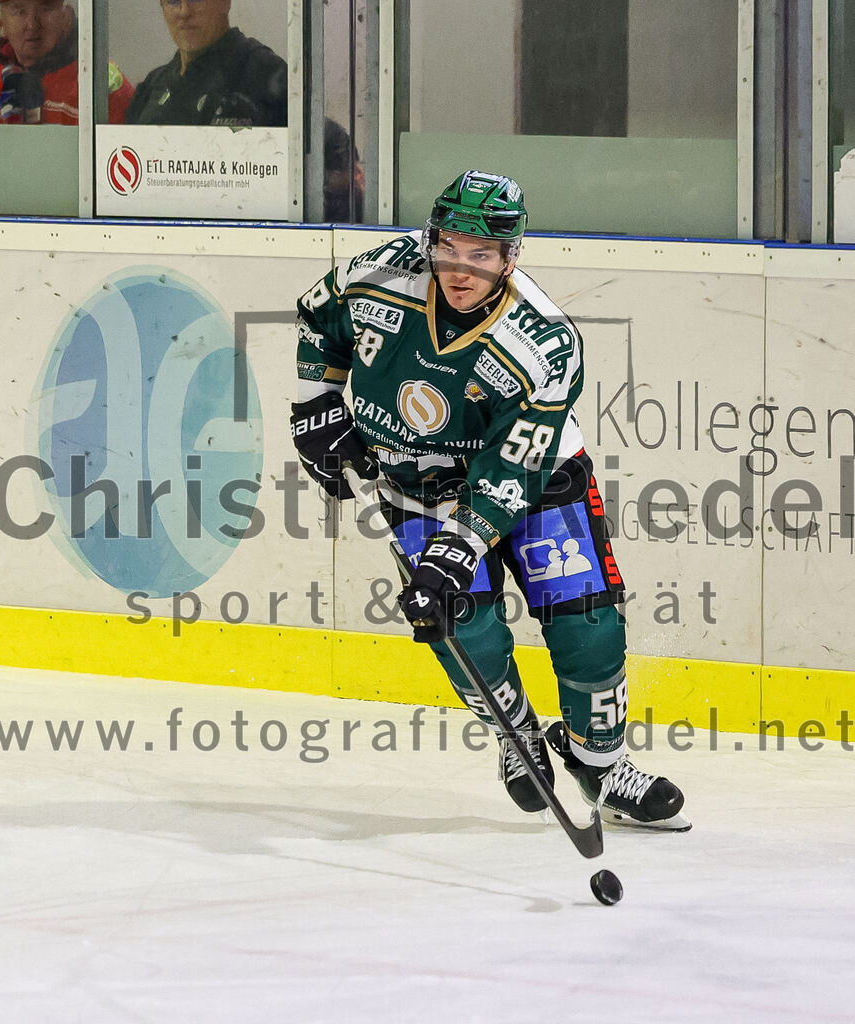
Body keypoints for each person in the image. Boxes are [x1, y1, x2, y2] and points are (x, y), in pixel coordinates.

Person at [290, 170, 690, 830]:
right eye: (450, 247)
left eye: (482, 254)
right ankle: (518, 736)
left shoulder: (543, 343)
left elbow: (511, 470)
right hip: (412, 485)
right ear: (432, 240)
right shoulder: (379, 273)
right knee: (462, 633)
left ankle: (602, 764)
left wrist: (461, 546)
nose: (461, 267)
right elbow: (317, 320)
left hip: (536, 483)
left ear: (511, 256)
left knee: (587, 626)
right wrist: (317, 405)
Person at [125, 0, 287, 128]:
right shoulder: (152, 86)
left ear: (225, 3)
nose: (184, 11)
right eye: (173, 1)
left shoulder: (265, 73)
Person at [0, 0, 133, 124]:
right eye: (19, 12)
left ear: (66, 18)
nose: (32, 25)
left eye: (45, 9)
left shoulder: (101, 80)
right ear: (0, 23)